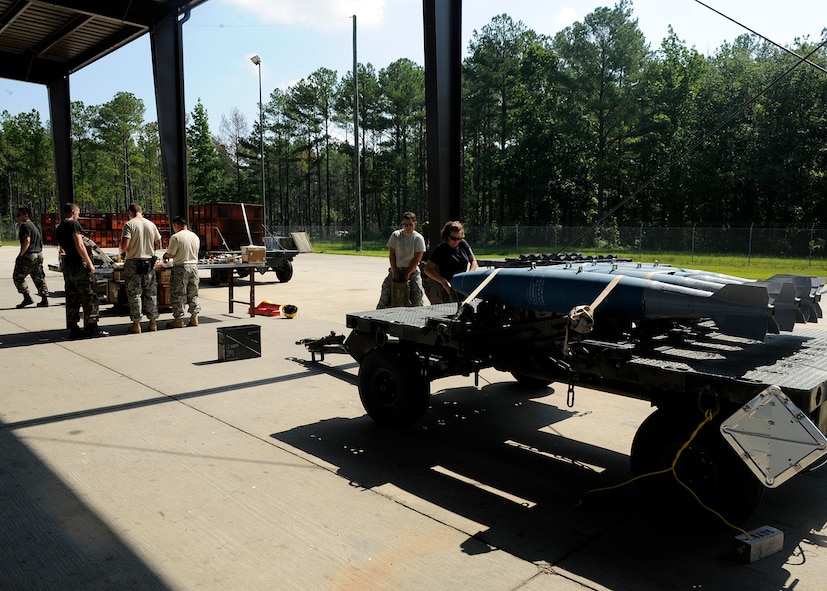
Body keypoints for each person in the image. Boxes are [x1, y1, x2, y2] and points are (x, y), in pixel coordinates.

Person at [55, 203, 108, 339]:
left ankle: (73, 327)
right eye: (78, 213)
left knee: (72, 297)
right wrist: (90, 264)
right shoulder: (74, 225)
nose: (78, 215)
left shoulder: (60, 227)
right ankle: (92, 326)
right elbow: (79, 244)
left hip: (69, 265)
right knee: (89, 295)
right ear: (73, 212)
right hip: (79, 264)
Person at [119, 203, 162, 334]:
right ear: (141, 211)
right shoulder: (151, 224)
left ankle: (136, 324)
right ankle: (153, 322)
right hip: (149, 262)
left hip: (133, 262)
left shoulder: (129, 224)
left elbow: (125, 244)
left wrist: (121, 252)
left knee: (134, 293)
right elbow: (159, 244)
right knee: (151, 292)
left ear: (130, 212)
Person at [376, 211, 426, 308]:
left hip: (412, 270)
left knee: (417, 298)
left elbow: (417, 259)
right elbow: (391, 255)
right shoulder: (396, 235)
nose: (407, 227)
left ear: (415, 224)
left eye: (410, 225)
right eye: (405, 224)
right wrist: (394, 272)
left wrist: (408, 273)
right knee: (385, 295)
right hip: (396, 268)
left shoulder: (418, 238)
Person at [423, 221, 478, 304]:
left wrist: (469, 275)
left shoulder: (463, 244)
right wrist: (443, 282)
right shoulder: (440, 249)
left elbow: (474, 261)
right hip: (448, 289)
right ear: (447, 236)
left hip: (463, 285)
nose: (456, 241)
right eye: (453, 238)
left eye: (459, 238)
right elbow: (427, 269)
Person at [163, 216, 201, 328]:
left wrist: (165, 255)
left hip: (181, 267)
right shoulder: (195, 236)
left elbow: (170, 254)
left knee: (178, 293)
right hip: (194, 266)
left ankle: (178, 319)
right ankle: (194, 317)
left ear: (176, 225)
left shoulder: (176, 237)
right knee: (193, 292)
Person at [13, 206, 49, 308]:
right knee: (38, 277)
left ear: (26, 215)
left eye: (19, 215)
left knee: (18, 276)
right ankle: (44, 299)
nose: (17, 217)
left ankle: (27, 297)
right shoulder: (35, 226)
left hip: (29, 255)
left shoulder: (25, 226)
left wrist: (21, 254)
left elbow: (27, 240)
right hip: (38, 254)